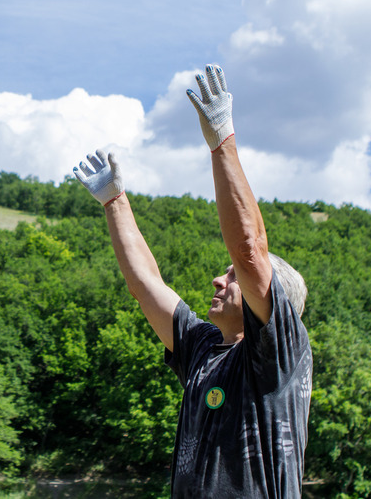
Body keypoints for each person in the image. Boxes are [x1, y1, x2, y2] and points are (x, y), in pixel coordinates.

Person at [74, 64, 313, 498]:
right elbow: (146, 285)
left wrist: (221, 138)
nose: (220, 282)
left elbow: (249, 250)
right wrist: (114, 201)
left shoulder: (277, 352)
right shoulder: (204, 347)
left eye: (232, 278)